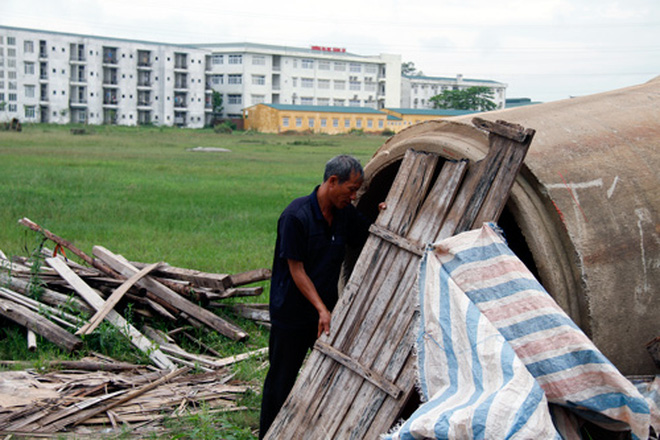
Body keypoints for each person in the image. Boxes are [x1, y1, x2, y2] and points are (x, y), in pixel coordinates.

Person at [259, 155, 375, 439]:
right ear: (332, 182)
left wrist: (385, 212)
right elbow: (296, 270)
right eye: (351, 188)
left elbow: (369, 235)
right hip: (292, 314)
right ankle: (269, 434)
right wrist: (322, 309)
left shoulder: (344, 214)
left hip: (325, 315)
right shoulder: (295, 216)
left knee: (330, 377)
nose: (354, 195)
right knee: (281, 381)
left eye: (358, 190)